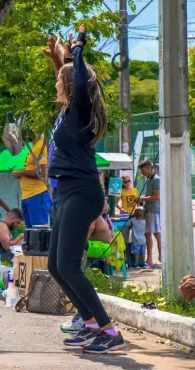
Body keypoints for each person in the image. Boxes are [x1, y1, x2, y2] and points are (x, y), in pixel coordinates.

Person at [47, 25, 125, 353]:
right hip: (66, 192)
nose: (55, 82)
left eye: (58, 79)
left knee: (67, 265)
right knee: (55, 265)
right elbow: (69, 77)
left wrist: (77, 51)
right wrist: (63, 55)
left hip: (82, 192)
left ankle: (109, 332)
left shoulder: (80, 110)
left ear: (68, 86)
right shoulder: (68, 113)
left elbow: (79, 81)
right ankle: (90, 324)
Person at [42, 32, 68, 222]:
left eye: (59, 82)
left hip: (66, 184)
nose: (56, 85)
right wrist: (54, 59)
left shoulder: (72, 112)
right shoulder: (62, 114)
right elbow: (63, 80)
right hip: (57, 184)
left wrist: (61, 53)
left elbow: (67, 80)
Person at [11, 133, 51, 227]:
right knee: (30, 232)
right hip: (27, 196)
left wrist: (22, 173)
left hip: (37, 194)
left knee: (38, 230)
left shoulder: (41, 146)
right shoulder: (33, 147)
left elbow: (43, 172)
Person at [138, 159, 161, 266]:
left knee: (157, 234)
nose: (142, 173)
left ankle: (161, 257)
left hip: (154, 211)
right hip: (147, 210)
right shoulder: (148, 179)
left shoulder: (156, 179)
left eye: (143, 170)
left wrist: (142, 199)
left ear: (149, 168)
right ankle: (150, 258)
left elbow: (156, 197)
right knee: (148, 234)